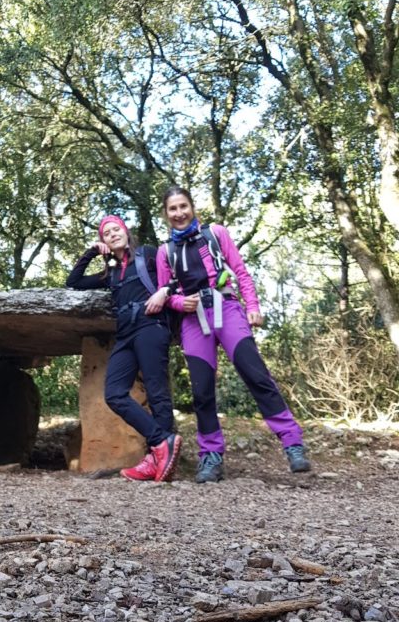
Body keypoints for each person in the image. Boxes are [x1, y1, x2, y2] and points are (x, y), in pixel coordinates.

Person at [149, 186, 310, 482]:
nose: (179, 213)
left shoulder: (216, 233)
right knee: (201, 391)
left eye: (183, 206)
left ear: (192, 207)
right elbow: (165, 292)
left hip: (227, 308)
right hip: (193, 320)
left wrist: (253, 306)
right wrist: (178, 302)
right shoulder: (164, 252)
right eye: (172, 209)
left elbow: (240, 270)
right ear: (166, 214)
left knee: (256, 374)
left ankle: (293, 442)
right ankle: (211, 456)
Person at [66, 215, 181, 482]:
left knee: (157, 392)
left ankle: (158, 458)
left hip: (151, 325)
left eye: (116, 229)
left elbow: (177, 276)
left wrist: (164, 292)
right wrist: (92, 251)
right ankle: (163, 442)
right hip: (126, 332)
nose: (112, 234)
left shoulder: (148, 255)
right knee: (115, 394)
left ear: (126, 231)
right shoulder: (111, 272)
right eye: (106, 233)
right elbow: (73, 281)